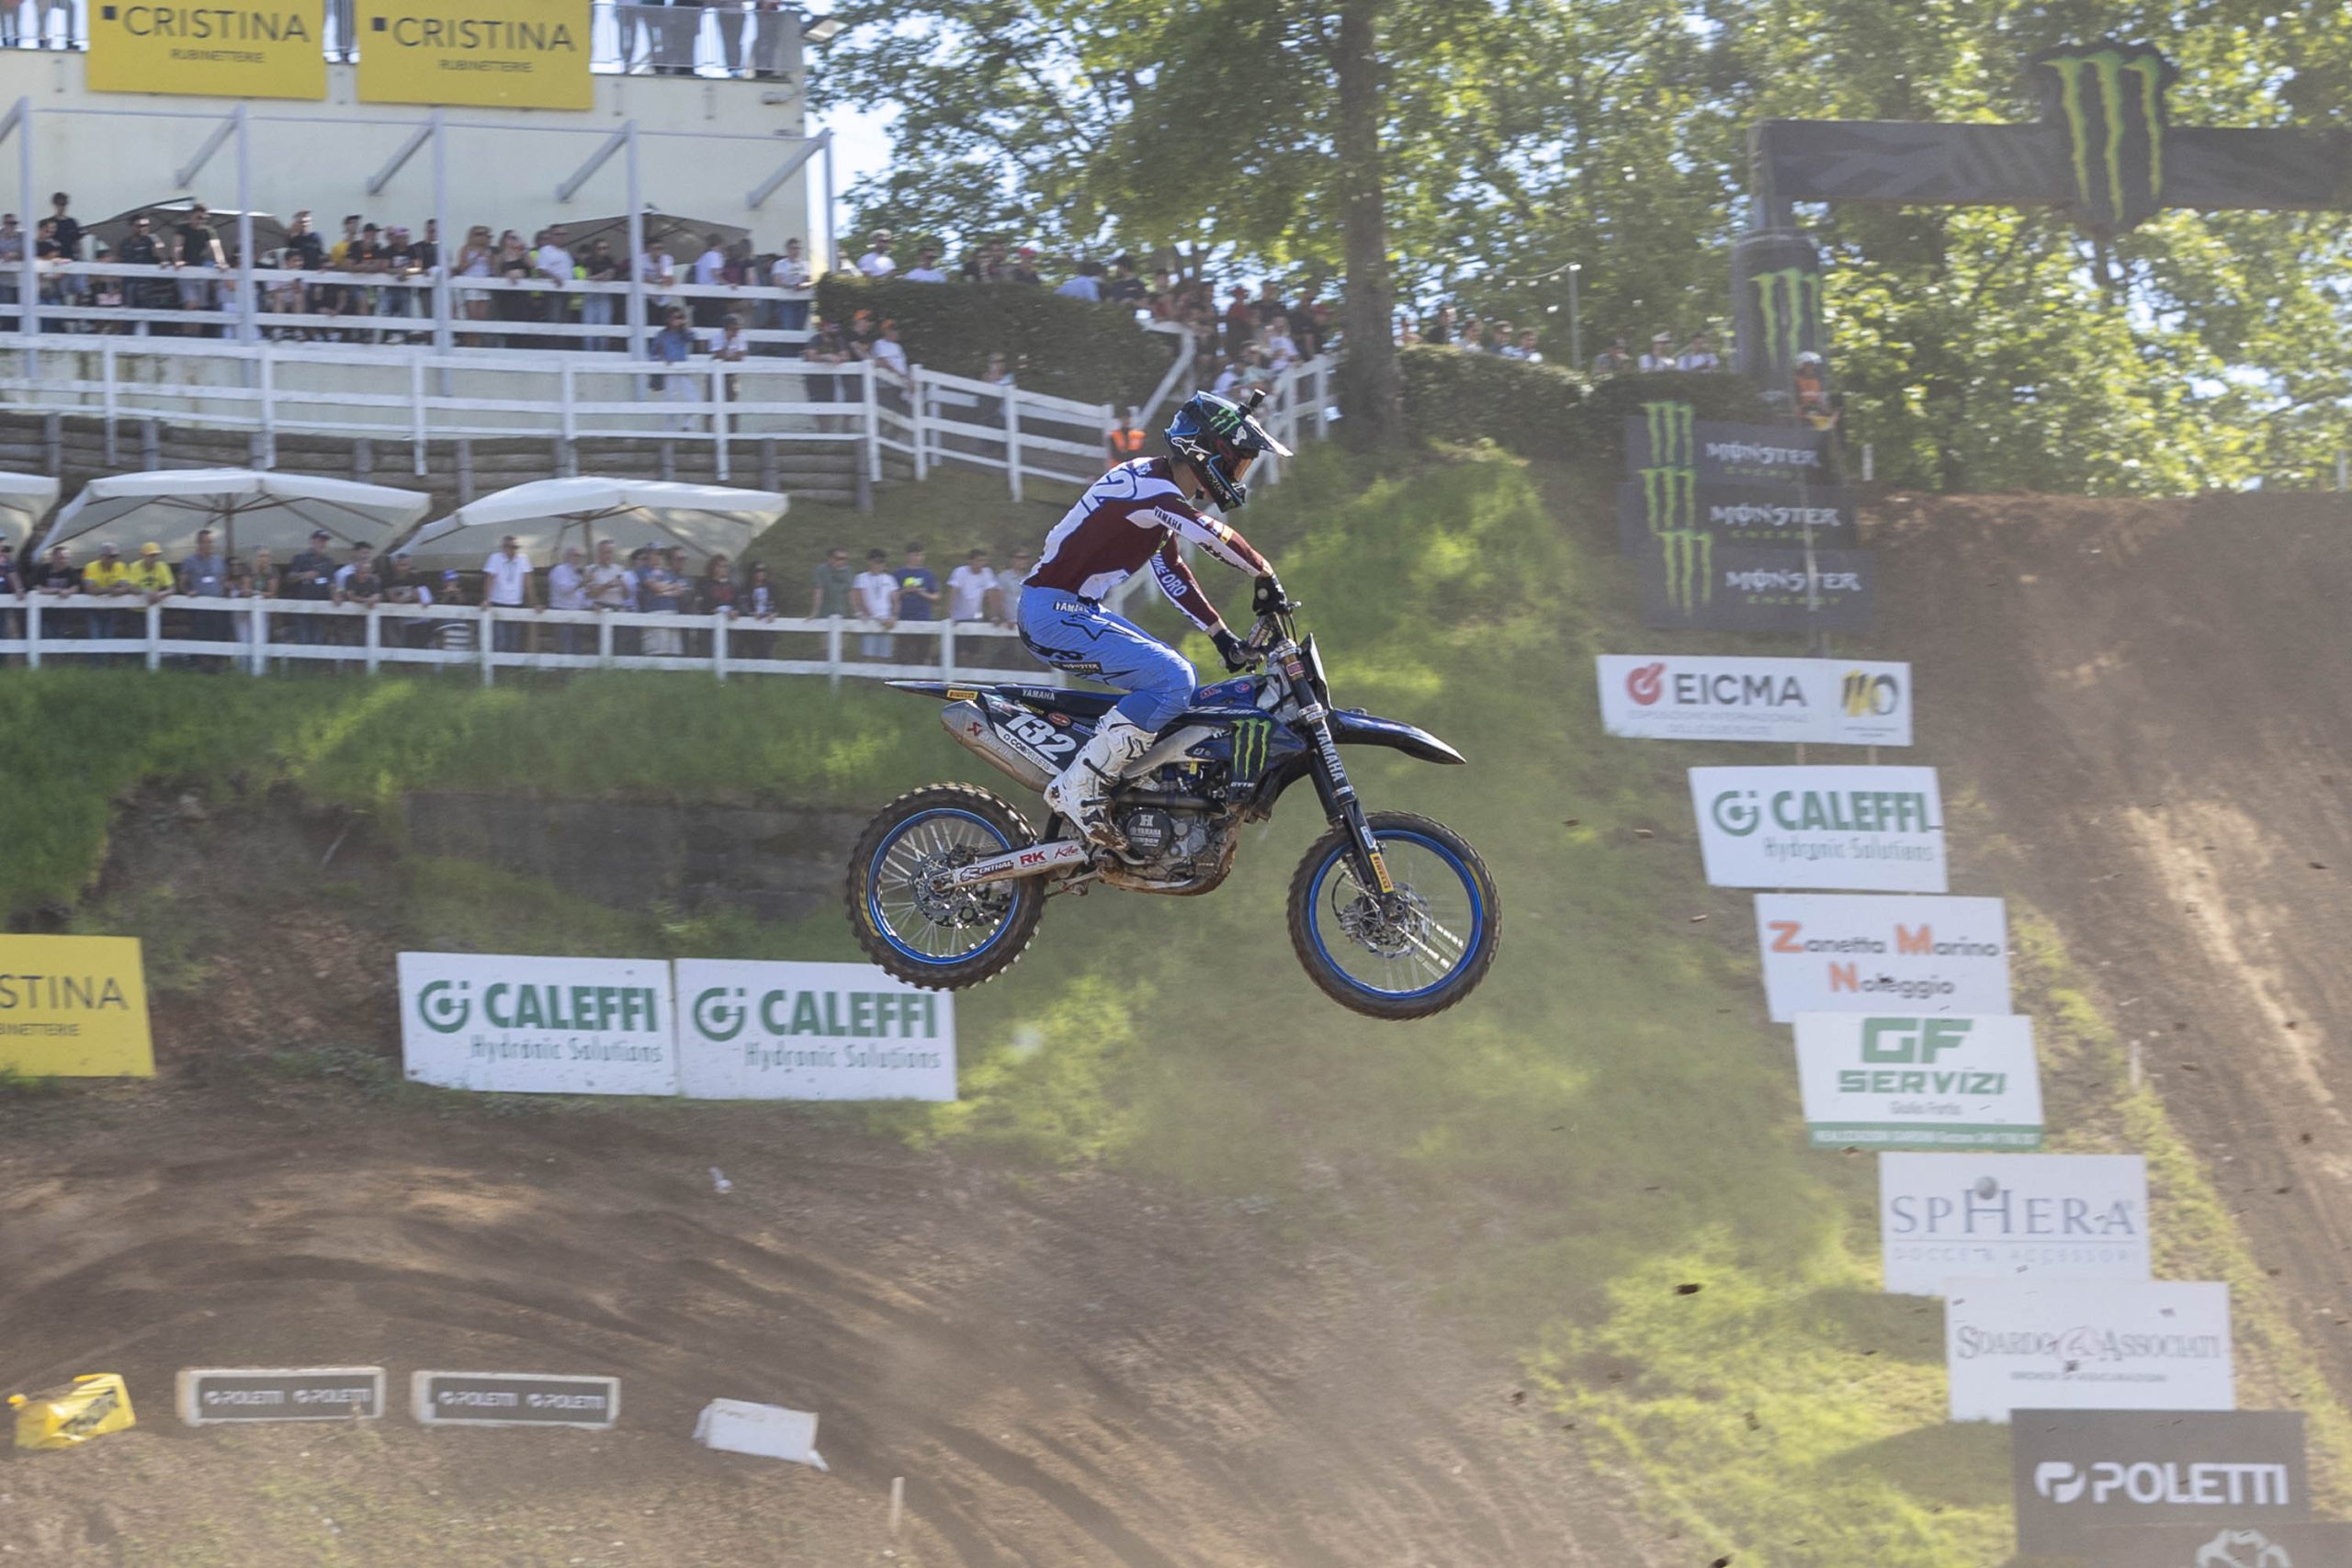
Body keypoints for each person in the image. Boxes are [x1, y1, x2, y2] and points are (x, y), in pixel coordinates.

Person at [1017, 389, 1290, 851]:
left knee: (1177, 679)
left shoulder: (1153, 484)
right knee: (1172, 678)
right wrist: (1263, 573)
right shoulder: (1156, 491)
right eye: (1238, 462)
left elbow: (1171, 569)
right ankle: (1080, 787)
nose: (1240, 474)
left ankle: (1126, 796)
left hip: (1070, 608)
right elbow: (1209, 534)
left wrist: (1220, 635)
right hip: (1054, 610)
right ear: (1208, 452)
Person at [852, 547, 896, 660]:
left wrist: (894, 616)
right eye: (876, 561)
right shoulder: (861, 578)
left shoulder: (889, 579)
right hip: (870, 620)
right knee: (868, 655)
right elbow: (860, 600)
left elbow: (896, 600)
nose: (879, 565)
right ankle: (866, 677)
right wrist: (875, 618)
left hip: (886, 621)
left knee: (885, 656)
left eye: (882, 562)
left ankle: (882, 677)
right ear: (870, 561)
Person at [945, 548, 995, 622]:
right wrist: (950, 616)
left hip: (977, 617)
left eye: (984, 561)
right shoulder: (960, 572)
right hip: (959, 617)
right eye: (979, 560)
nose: (982, 563)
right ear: (970, 561)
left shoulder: (987, 573)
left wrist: (994, 616)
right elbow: (952, 594)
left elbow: (992, 595)